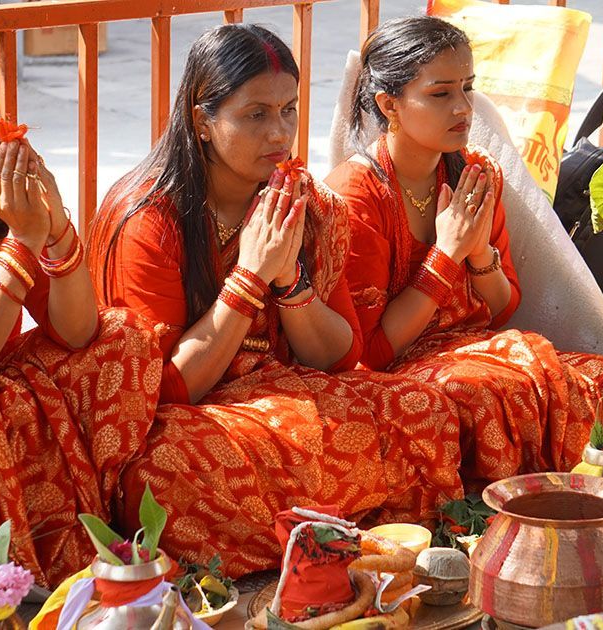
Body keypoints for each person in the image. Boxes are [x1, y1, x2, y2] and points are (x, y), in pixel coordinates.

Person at [88, 24, 463, 576]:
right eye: (256, 114)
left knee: (422, 408)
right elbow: (165, 389)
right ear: (203, 121)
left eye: (288, 110)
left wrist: (289, 284)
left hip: (280, 395)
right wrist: (248, 279)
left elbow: (340, 355)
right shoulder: (151, 221)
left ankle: (323, 547)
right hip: (186, 419)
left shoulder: (303, 203)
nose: (280, 132)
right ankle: (328, 547)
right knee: (168, 474)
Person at [325, 15, 603, 484]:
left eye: (467, 88)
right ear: (390, 105)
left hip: (481, 356)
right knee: (480, 400)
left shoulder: (475, 173)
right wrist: (445, 254)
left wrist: (478, 252)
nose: (463, 108)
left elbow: (502, 307)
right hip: (406, 380)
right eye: (441, 93)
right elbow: (374, 352)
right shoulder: (356, 193)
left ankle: (515, 460)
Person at [0, 21, 161, 587]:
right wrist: (23, 243)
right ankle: (11, 576)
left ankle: (103, 523)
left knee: (124, 337)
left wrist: (54, 229)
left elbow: (76, 331)